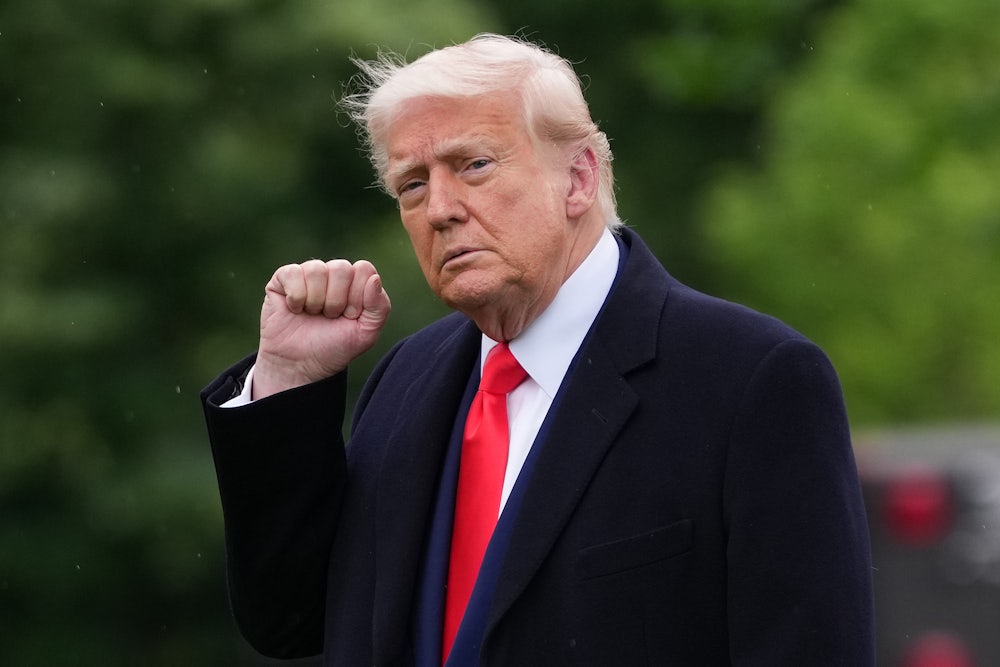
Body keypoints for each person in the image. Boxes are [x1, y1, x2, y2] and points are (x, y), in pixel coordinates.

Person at [201, 33, 875, 666]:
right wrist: (288, 379)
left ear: (579, 177)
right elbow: (290, 620)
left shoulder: (751, 378)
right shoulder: (406, 378)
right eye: (412, 183)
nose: (439, 207)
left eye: (474, 165)